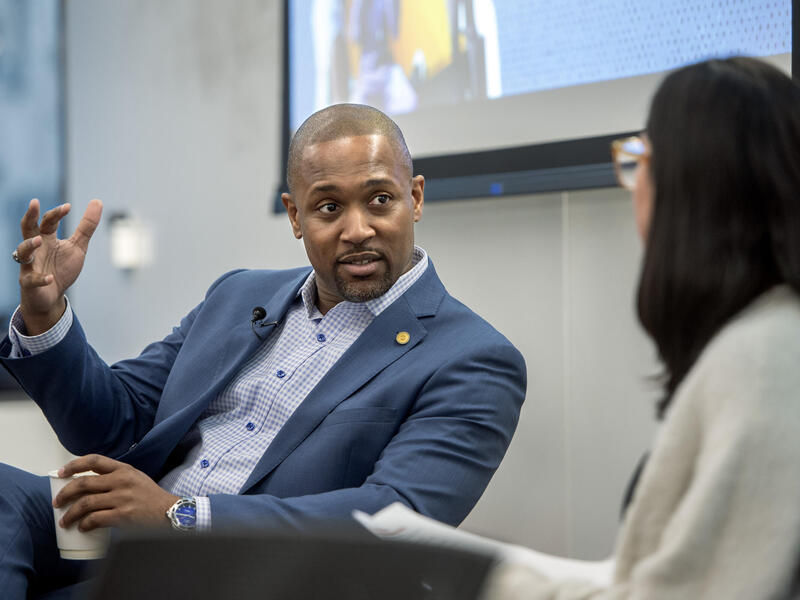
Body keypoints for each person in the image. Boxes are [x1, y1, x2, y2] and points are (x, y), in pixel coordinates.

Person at [0, 103, 526, 597]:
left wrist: (180, 515)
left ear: (415, 197)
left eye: (380, 200)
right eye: (328, 207)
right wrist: (46, 313)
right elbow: (114, 423)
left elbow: (394, 517)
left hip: (255, 574)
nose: (357, 229)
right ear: (296, 217)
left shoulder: (474, 358)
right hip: (130, 539)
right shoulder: (238, 296)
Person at [484, 56, 800, 598]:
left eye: (641, 160)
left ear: (690, 185)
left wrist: (486, 582)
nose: (635, 185)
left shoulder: (763, 359)